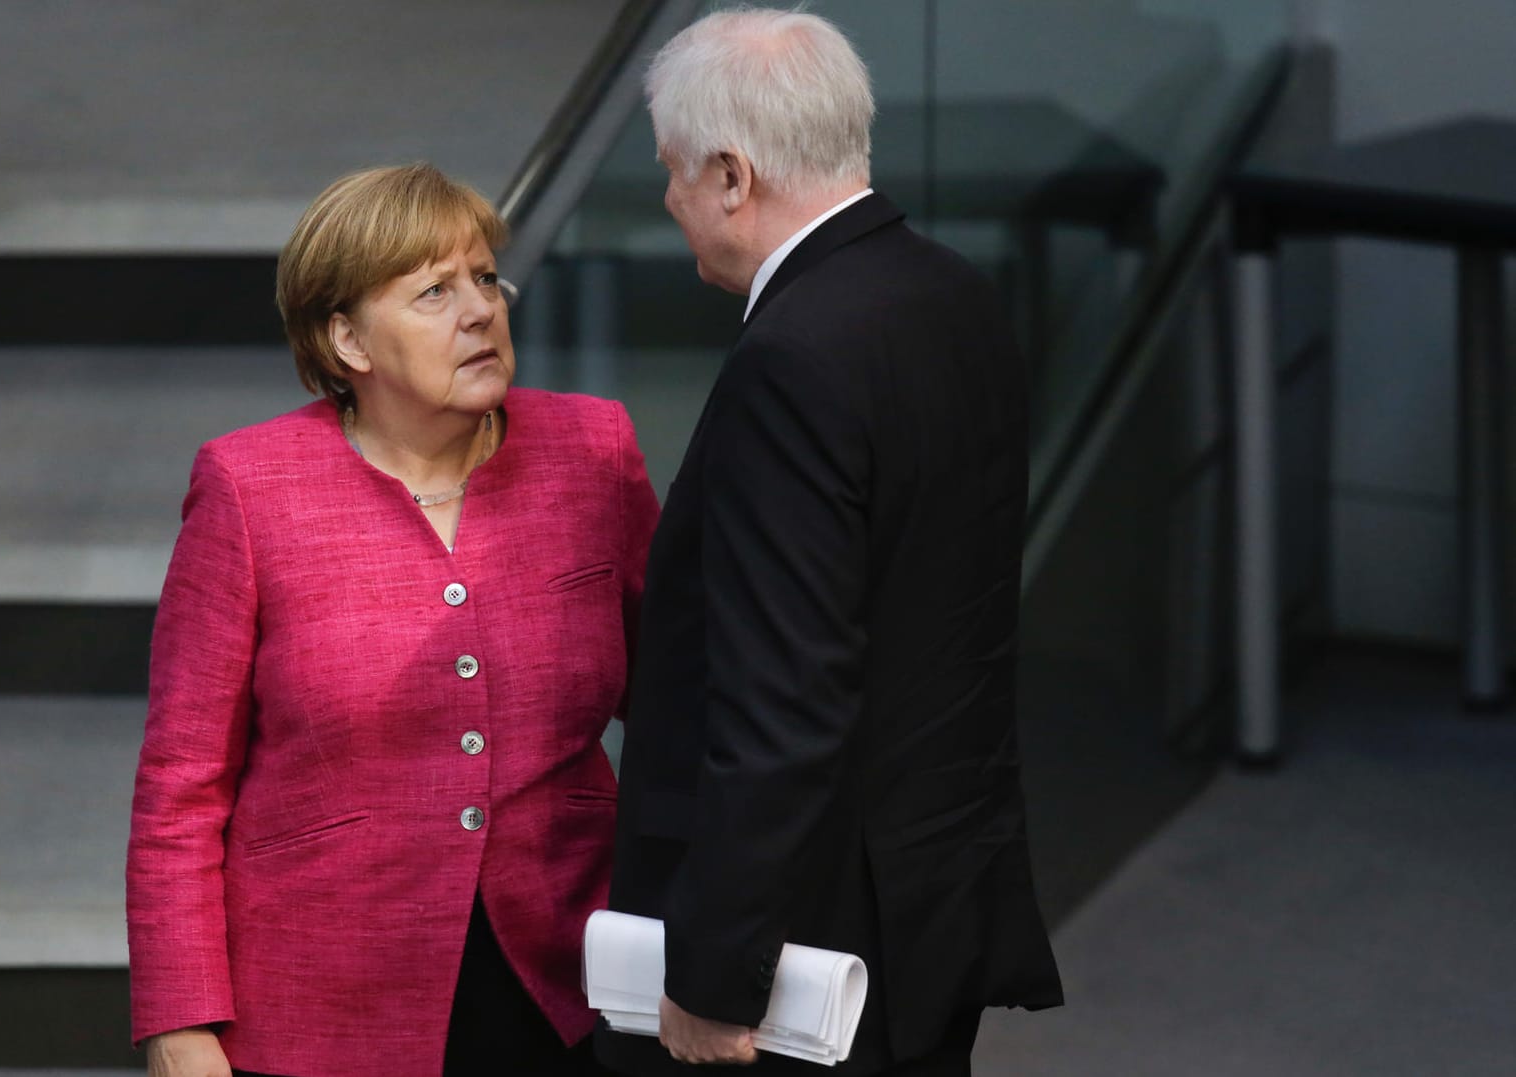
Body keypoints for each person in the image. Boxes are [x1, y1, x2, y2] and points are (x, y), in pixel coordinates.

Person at [596, 10, 1064, 1076]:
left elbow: (782, 698)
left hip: (808, 946)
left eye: (672, 172)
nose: (669, 202)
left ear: (728, 174)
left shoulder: (793, 357)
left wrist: (717, 977)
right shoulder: (952, 293)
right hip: (933, 890)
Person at [127, 163, 658, 1077]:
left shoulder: (591, 450)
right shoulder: (250, 487)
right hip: (320, 997)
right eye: (433, 292)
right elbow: (183, 778)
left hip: (564, 978)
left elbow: (679, 697)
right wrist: (181, 1020)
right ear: (347, 341)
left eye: (486, 279)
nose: (479, 311)